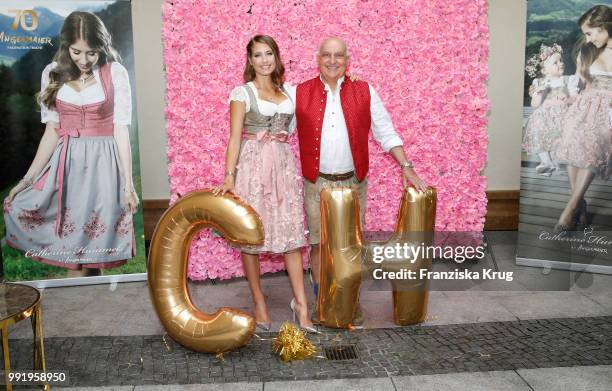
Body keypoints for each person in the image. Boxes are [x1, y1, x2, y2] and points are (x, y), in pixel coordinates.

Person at [292, 37, 428, 326]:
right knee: (318, 246)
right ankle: (322, 303)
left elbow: (386, 132)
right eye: (326, 55)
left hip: (354, 183)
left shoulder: (364, 90)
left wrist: (407, 167)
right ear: (317, 58)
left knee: (353, 247)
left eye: (338, 55)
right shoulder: (299, 92)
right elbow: (282, 127)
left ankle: (349, 303)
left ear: (347, 59)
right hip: (316, 184)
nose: (332, 60)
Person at [3, 11, 138, 277]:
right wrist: (26, 180)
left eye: (92, 53)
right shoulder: (52, 74)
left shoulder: (115, 73)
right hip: (67, 166)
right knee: (76, 256)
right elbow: (51, 132)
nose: (84, 60)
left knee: (91, 256)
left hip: (103, 167)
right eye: (77, 52)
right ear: (66, 46)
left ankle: (86, 312)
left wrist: (128, 185)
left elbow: (120, 130)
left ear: (101, 48)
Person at [213, 35, 316, 333]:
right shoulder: (242, 93)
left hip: (283, 167)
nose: (264, 60)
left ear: (276, 56)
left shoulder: (289, 93)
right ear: (249, 60)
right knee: (251, 236)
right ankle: (258, 301)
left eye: (268, 53)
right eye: (257, 55)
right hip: (252, 167)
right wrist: (229, 177)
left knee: (291, 236)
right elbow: (234, 138)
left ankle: (302, 307)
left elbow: (293, 128)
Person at [553, 5, 612, 231]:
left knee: (592, 145)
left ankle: (571, 208)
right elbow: (579, 85)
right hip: (585, 104)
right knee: (571, 139)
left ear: (604, 27)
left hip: (609, 110)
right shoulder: (587, 51)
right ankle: (578, 204)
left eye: (590, 32)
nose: (587, 38)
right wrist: (566, 98)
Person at [523, 44, 579, 176]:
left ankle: (554, 164)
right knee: (539, 135)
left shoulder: (567, 80)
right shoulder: (539, 82)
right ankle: (546, 162)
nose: (561, 64)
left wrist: (567, 98)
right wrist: (539, 92)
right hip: (543, 117)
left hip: (562, 116)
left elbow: (575, 98)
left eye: (561, 61)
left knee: (558, 140)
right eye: (555, 62)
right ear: (544, 70)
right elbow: (534, 104)